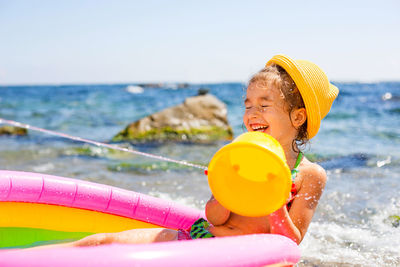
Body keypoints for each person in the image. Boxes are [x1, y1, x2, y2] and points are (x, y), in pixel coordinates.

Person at [36, 54, 338, 248]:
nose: (251, 113)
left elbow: (290, 244)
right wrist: (221, 187)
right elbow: (215, 217)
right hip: (205, 239)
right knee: (105, 243)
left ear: (297, 117)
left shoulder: (309, 174)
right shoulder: (239, 154)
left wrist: (274, 198)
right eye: (247, 105)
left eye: (264, 105)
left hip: (244, 255)